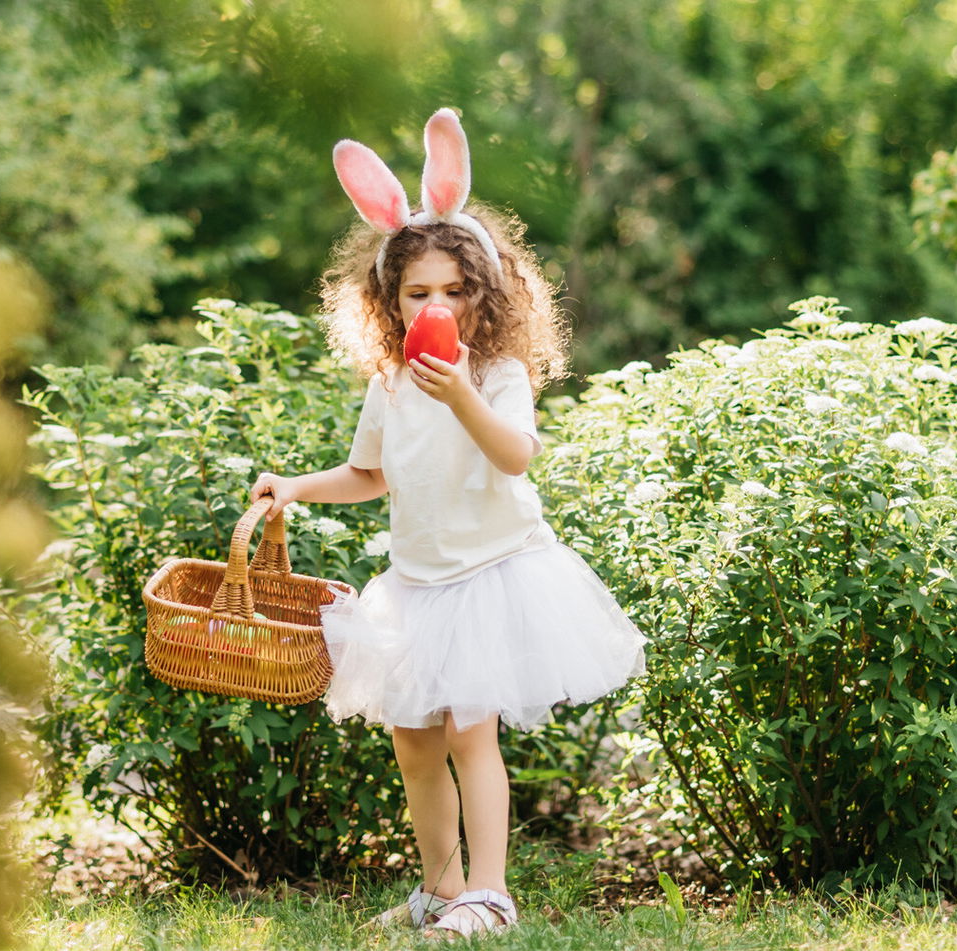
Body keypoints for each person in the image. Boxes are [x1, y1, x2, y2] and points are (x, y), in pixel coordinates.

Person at [250, 108, 646, 939]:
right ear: (390, 303)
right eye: (417, 291)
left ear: (484, 295)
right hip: (416, 585)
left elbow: (514, 456)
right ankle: (441, 887)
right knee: (413, 743)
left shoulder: (495, 371)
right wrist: (292, 487)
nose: (437, 304)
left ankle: (490, 893)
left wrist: (461, 391)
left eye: (455, 291)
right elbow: (370, 473)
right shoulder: (390, 383)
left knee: (472, 735)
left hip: (492, 574)